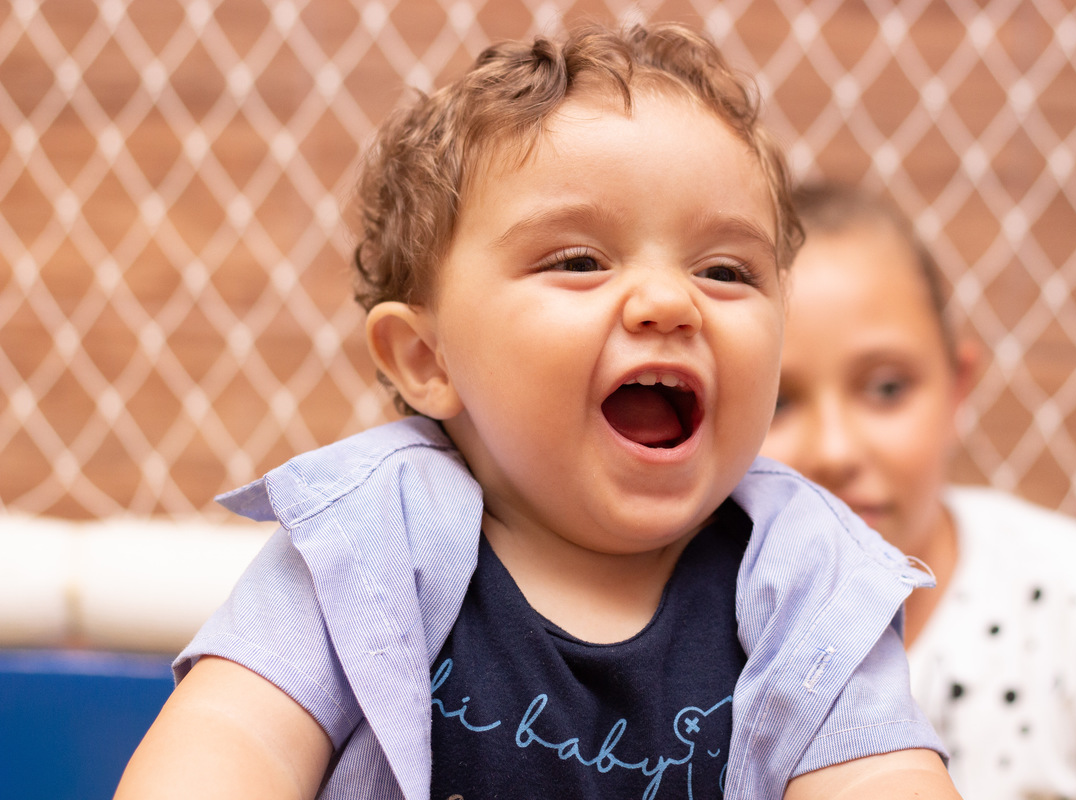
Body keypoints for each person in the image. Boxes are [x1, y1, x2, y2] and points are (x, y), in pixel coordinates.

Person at [114, 25, 961, 800]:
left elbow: (879, 775)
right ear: (428, 359)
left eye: (727, 272)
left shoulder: (807, 573)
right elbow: (233, 738)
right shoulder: (369, 540)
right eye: (581, 260)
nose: (669, 301)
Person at [760, 182, 1076, 800]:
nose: (835, 450)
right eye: (776, 401)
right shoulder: (679, 630)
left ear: (957, 388)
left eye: (886, 389)